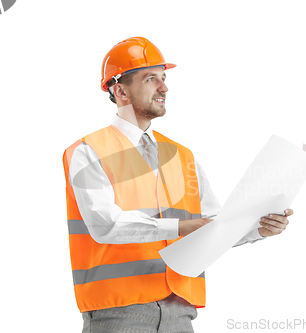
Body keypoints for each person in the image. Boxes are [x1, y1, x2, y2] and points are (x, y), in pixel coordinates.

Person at [62, 37, 293, 333]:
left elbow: (213, 226)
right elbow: (105, 225)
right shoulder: (88, 151)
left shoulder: (182, 156)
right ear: (120, 90)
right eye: (151, 79)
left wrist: (257, 228)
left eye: (164, 78)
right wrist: (179, 227)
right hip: (118, 312)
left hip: (180, 310)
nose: (164, 88)